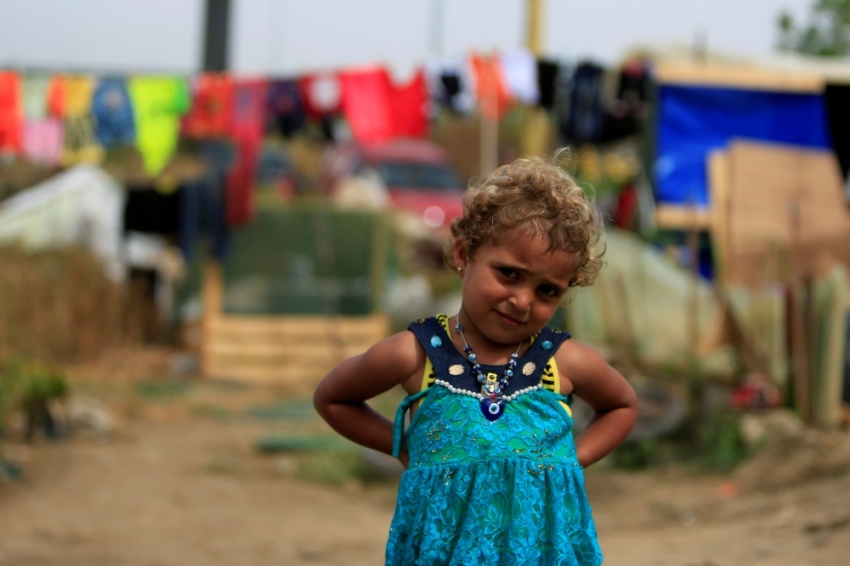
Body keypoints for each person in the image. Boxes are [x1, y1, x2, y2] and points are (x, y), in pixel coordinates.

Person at [314, 152, 638, 565]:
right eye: (509, 274)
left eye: (547, 291)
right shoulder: (415, 354)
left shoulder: (565, 362)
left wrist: (573, 459)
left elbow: (623, 404)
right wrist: (402, 447)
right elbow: (332, 398)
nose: (522, 301)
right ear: (465, 254)